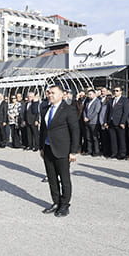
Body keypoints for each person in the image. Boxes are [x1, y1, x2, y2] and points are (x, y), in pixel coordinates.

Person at [39, 85, 80, 217]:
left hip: (62, 149)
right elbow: (43, 129)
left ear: (62, 95)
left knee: (64, 178)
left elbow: (75, 131)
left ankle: (65, 205)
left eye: (53, 93)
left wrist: (73, 151)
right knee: (52, 178)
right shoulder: (45, 109)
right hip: (48, 148)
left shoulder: (69, 110)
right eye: (49, 93)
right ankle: (56, 202)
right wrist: (41, 147)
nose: (50, 95)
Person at [104, 86, 129, 159]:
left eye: (117, 90)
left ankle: (122, 154)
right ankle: (114, 153)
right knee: (113, 139)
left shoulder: (124, 100)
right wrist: (105, 121)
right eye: (114, 90)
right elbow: (107, 112)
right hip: (111, 122)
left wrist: (122, 122)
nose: (115, 92)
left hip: (119, 122)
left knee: (121, 139)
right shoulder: (111, 100)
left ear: (121, 92)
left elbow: (125, 112)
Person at [83, 89, 101, 156]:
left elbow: (96, 111)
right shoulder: (88, 101)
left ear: (94, 94)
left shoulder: (97, 101)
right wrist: (84, 117)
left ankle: (96, 151)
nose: (89, 96)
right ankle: (89, 150)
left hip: (94, 122)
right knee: (88, 137)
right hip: (87, 122)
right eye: (88, 94)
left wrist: (89, 118)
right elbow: (85, 110)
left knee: (94, 137)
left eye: (90, 94)